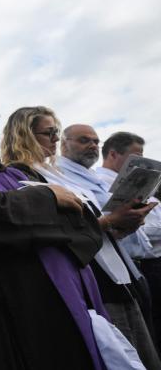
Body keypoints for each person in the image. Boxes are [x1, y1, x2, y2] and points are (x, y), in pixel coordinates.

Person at [0, 95, 127, 370]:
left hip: (63, 299)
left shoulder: (19, 176)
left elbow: (82, 225)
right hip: (3, 313)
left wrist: (32, 224)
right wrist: (48, 202)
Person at [0, 108, 160, 369]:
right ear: (25, 133)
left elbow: (87, 221)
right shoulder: (19, 175)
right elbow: (55, 231)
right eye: (48, 132)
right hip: (89, 277)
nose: (55, 139)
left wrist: (123, 224)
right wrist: (110, 222)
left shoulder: (58, 174)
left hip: (114, 272)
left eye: (56, 132)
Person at [53, 124, 161, 368]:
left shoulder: (90, 177)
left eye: (95, 141)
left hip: (128, 269)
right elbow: (81, 226)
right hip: (101, 276)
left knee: (144, 346)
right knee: (125, 349)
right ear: (64, 144)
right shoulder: (59, 175)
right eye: (83, 140)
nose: (92, 145)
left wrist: (126, 225)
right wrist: (113, 222)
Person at [96, 132, 161, 354]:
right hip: (135, 263)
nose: (143, 162)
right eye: (136, 156)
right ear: (113, 154)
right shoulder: (102, 184)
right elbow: (129, 226)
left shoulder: (147, 186)